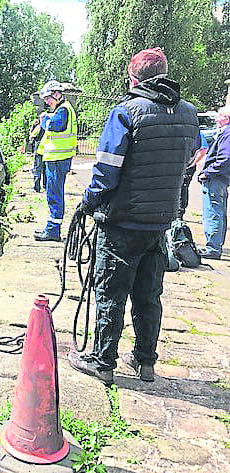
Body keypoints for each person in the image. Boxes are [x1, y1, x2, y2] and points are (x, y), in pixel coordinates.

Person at [67, 47, 200, 385]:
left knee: (111, 291)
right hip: (160, 221)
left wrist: (87, 203)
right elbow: (188, 161)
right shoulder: (189, 114)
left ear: (133, 77)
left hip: (123, 222)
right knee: (148, 293)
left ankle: (103, 361)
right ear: (165, 73)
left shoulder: (126, 112)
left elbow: (106, 172)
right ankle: (145, 362)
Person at [34, 80, 78, 241]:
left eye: (48, 98)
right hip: (57, 159)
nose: (46, 102)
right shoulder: (63, 109)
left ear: (57, 94)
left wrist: (44, 119)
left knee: (54, 195)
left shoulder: (63, 111)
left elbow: (54, 126)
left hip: (58, 159)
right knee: (53, 193)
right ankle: (51, 228)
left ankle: (53, 231)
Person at [198, 106, 230, 259]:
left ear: (227, 119)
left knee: (213, 212)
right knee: (219, 212)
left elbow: (225, 159)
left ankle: (213, 248)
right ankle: (216, 245)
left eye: (219, 117)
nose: (216, 120)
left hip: (216, 179)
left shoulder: (227, 133)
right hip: (221, 179)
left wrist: (207, 172)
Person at [27, 118, 45, 192]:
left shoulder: (39, 127)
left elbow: (31, 136)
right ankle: (45, 186)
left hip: (39, 150)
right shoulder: (50, 127)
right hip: (48, 151)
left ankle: (37, 187)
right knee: (45, 169)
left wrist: (32, 126)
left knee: (37, 168)